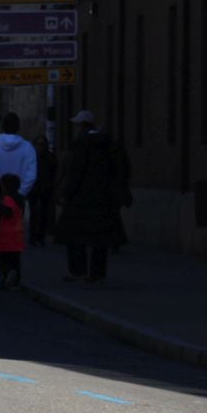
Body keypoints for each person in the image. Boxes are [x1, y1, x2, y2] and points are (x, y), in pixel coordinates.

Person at [54, 109, 131, 284]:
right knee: (100, 239)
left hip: (81, 198)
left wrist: (67, 193)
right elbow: (121, 169)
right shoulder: (109, 143)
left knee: (75, 236)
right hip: (104, 198)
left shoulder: (81, 144)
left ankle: (78, 271)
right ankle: (97, 273)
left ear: (81, 125)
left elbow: (76, 172)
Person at [0, 112, 38, 204]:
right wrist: (21, 193)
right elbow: (32, 175)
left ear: (2, 126)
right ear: (18, 127)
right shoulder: (28, 148)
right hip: (17, 200)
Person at [0, 172, 26, 289]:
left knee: (4, 257)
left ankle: (7, 274)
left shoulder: (8, 199)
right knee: (16, 259)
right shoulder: (20, 199)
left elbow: (8, 213)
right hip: (18, 233)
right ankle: (15, 281)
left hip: (6, 233)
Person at [29, 136, 59, 247]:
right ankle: (33, 236)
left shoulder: (50, 157)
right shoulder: (31, 157)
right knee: (34, 213)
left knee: (43, 214)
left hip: (45, 189)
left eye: (42, 144)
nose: (40, 147)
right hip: (34, 189)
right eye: (38, 144)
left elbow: (54, 173)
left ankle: (40, 236)